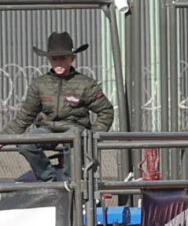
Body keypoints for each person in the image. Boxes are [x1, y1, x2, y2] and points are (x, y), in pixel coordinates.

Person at [7, 31, 115, 182]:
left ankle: (70, 184)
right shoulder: (40, 84)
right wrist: (3, 137)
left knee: (74, 138)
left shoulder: (85, 84)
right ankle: (48, 180)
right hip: (47, 130)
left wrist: (93, 135)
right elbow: (26, 115)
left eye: (63, 58)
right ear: (48, 59)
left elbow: (106, 111)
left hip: (74, 128)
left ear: (72, 58)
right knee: (25, 143)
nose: (58, 63)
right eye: (54, 58)